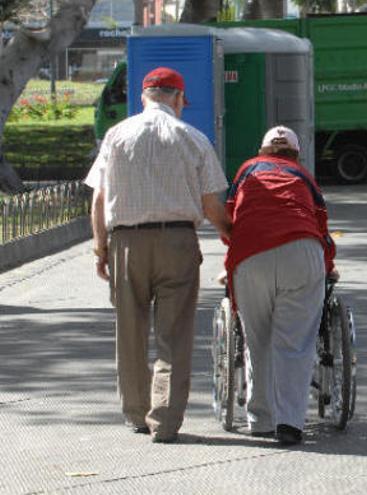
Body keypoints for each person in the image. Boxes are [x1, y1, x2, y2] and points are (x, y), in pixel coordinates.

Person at [85, 67, 231, 443]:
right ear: (178, 99)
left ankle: (135, 414)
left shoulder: (116, 136)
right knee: (174, 334)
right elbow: (210, 202)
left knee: (129, 332)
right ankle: (164, 421)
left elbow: (99, 198)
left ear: (143, 97)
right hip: (178, 242)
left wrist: (100, 248)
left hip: (126, 243)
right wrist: (230, 233)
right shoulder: (193, 138)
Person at [224, 126, 337, 445]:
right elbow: (321, 227)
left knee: (256, 337)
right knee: (295, 342)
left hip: (251, 254)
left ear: (262, 152)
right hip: (301, 252)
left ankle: (260, 419)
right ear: (296, 154)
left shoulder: (247, 170)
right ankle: (289, 422)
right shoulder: (304, 177)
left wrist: (235, 259)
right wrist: (328, 267)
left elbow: (230, 221)